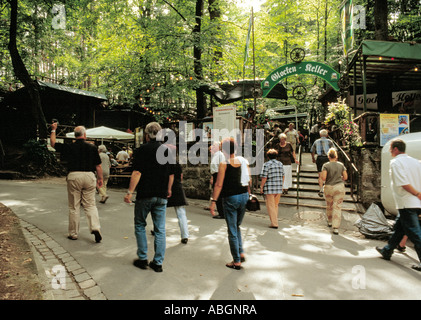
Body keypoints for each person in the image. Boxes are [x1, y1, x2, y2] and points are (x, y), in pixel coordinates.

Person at [124, 122, 174, 272]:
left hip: (145, 194)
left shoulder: (141, 150)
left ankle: (143, 258)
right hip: (161, 194)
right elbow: (172, 174)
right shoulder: (167, 151)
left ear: (146, 135)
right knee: (160, 229)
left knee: (140, 224)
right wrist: (169, 189)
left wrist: (129, 192)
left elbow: (137, 173)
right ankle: (157, 263)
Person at [50, 122, 103, 243]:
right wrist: (100, 179)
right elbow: (98, 166)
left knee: (74, 206)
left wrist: (53, 130)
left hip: (74, 175)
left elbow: (53, 143)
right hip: (89, 176)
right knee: (90, 205)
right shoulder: (92, 147)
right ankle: (95, 227)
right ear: (84, 134)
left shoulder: (69, 146)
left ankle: (73, 233)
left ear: (75, 135)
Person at [376, 139, 421, 272]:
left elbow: (403, 183)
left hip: (407, 201)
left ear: (395, 149)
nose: (390, 151)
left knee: (414, 233)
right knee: (399, 228)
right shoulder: (415, 162)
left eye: (390, 148)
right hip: (412, 203)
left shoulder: (396, 163)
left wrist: (417, 193)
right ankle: (387, 250)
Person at [209, 138, 249, 270]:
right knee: (237, 226)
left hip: (230, 198)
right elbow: (248, 180)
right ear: (235, 148)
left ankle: (236, 261)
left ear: (223, 149)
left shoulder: (224, 164)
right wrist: (248, 195)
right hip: (244, 196)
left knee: (232, 229)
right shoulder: (244, 161)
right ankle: (241, 252)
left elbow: (219, 184)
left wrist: (213, 201)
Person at [320, 148, 348, 235]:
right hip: (339, 187)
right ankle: (335, 227)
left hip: (329, 187)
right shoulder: (341, 165)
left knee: (329, 205)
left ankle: (329, 221)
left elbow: (323, 178)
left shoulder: (325, 165)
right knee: (337, 207)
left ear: (328, 156)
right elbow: (346, 177)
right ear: (336, 156)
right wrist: (341, 178)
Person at [166, 146, 189, 244]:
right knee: (181, 213)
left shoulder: (165, 163)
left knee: (160, 212)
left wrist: (168, 188)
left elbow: (168, 177)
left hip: (168, 188)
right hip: (178, 188)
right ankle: (185, 235)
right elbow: (181, 176)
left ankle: (157, 229)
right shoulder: (176, 163)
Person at [260, 149, 284, 229]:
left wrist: (261, 187)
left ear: (268, 156)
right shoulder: (280, 164)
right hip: (278, 187)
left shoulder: (266, 164)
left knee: (270, 206)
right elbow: (283, 175)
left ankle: (274, 223)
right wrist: (282, 185)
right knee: (275, 205)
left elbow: (264, 177)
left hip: (270, 187)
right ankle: (274, 221)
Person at [310, 129, 334, 197]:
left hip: (320, 158)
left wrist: (313, 158)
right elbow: (334, 150)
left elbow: (312, 150)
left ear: (320, 135)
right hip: (327, 158)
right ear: (327, 135)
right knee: (328, 174)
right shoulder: (330, 141)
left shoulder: (316, 141)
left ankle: (321, 190)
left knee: (320, 175)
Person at [209, 141, 226, 219]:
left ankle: (222, 213)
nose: (212, 146)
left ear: (218, 147)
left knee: (219, 194)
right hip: (215, 174)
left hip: (218, 174)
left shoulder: (220, 155)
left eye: (214, 145)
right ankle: (221, 212)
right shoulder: (215, 155)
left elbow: (221, 167)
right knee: (216, 194)